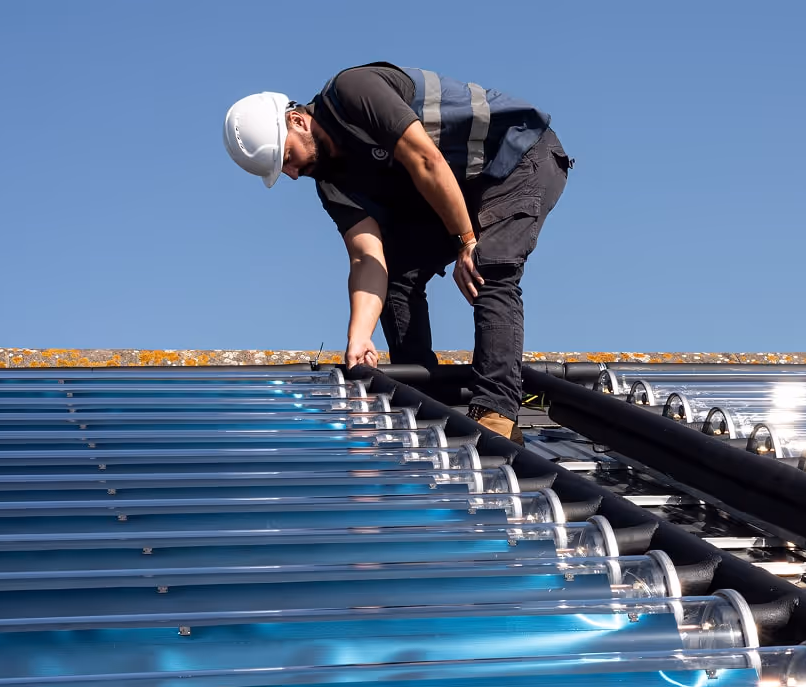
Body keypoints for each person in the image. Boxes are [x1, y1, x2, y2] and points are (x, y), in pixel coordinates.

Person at [222, 63, 571, 444]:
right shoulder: (332, 183)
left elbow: (426, 160)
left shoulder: (353, 92)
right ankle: (424, 403)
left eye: (287, 158)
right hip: (460, 189)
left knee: (486, 266)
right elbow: (366, 258)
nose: (291, 174)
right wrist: (359, 337)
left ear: (297, 121)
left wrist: (467, 241)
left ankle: (496, 414)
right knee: (398, 275)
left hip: (515, 157)